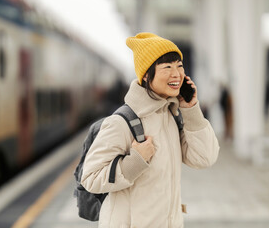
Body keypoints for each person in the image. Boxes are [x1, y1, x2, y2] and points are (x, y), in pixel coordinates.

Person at [81, 32, 220, 228]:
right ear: (146, 74)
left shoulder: (172, 115)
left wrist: (191, 110)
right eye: (167, 67)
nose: (176, 74)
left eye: (179, 66)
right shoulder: (121, 122)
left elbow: (205, 158)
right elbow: (90, 178)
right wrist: (135, 161)